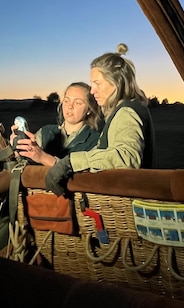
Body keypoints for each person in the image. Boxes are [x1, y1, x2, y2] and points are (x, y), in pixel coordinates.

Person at [45, 43, 155, 195]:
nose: (92, 90)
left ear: (115, 82)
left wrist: (71, 162)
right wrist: (62, 164)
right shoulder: (125, 110)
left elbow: (127, 157)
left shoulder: (127, 113)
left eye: (97, 83)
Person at [11, 82, 102, 167]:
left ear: (89, 110)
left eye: (78, 103)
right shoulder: (45, 132)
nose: (70, 106)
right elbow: (27, 167)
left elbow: (86, 178)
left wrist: (45, 158)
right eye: (66, 101)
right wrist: (18, 150)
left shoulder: (95, 141)